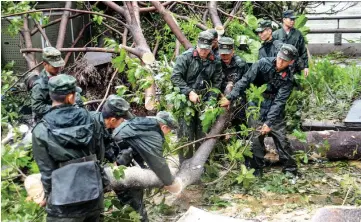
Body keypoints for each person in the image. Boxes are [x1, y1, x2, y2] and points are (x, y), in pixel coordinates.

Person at [32, 74, 105, 221]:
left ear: (50, 96)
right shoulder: (92, 119)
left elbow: (47, 172)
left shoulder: (41, 130)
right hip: (93, 193)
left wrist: (48, 196)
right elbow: (100, 154)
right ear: (71, 98)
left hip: (63, 200)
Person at [220, 44, 299, 177]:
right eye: (279, 58)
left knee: (281, 139)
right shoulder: (263, 63)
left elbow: (279, 102)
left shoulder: (288, 79)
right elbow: (245, 80)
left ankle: (290, 170)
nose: (280, 62)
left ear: (291, 62)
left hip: (274, 108)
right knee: (255, 138)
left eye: (284, 61)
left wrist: (269, 122)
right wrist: (230, 97)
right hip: (256, 104)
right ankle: (256, 170)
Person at [112, 111, 182, 222]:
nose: (168, 133)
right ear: (164, 127)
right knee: (134, 204)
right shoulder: (154, 135)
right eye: (169, 130)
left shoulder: (144, 123)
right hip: (119, 163)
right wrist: (170, 183)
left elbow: (139, 148)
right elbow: (158, 162)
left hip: (118, 153)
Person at [171, 30, 223, 163]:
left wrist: (211, 100)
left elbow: (216, 83)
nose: (203, 52)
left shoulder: (215, 61)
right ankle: (184, 166)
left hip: (204, 101)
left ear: (212, 46)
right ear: (197, 45)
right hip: (186, 101)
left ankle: (200, 166)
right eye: (201, 48)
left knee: (202, 134)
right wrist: (189, 92)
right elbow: (175, 77)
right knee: (185, 135)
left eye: (207, 49)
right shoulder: (186, 57)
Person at [31, 47, 82, 122]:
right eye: (54, 66)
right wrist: (57, 107)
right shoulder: (40, 85)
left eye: (59, 65)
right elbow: (37, 107)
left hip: (66, 115)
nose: (57, 68)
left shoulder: (60, 76)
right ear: (45, 64)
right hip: (49, 120)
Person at [90, 94, 134, 164]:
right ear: (113, 120)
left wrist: (116, 160)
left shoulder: (104, 124)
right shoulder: (92, 130)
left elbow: (107, 146)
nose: (123, 123)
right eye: (122, 121)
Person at [218, 36, 249, 129]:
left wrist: (231, 97)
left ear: (233, 51)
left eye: (227, 54)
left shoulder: (241, 64)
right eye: (222, 54)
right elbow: (213, 82)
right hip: (220, 97)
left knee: (239, 121)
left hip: (238, 98)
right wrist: (222, 97)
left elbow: (246, 83)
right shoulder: (215, 63)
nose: (224, 56)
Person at [273, 10, 309, 77]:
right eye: (291, 19)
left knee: (295, 85)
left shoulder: (298, 34)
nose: (293, 21)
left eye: (294, 19)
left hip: (294, 66)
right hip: (279, 66)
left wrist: (306, 66)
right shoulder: (276, 34)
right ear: (284, 19)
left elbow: (303, 50)